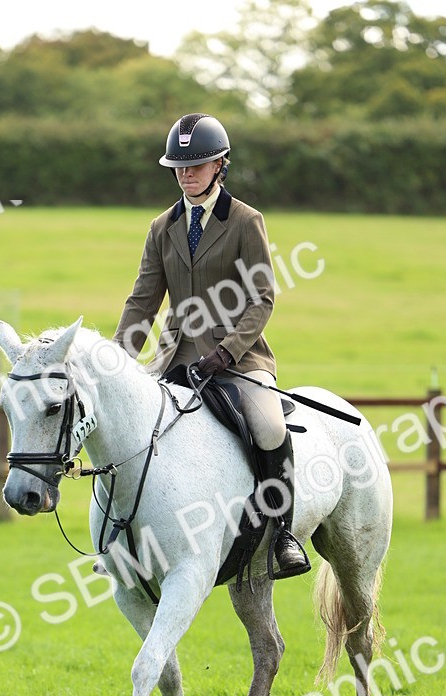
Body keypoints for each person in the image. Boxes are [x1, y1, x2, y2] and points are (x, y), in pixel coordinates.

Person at [113, 112, 310, 579]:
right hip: (176, 358)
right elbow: (143, 299)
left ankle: (282, 534)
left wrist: (227, 352)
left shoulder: (245, 221)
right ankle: (125, 539)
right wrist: (116, 358)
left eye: (196, 165)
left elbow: (262, 298)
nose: (186, 173)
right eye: (179, 166)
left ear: (220, 164)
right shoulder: (163, 226)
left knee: (267, 428)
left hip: (239, 359)